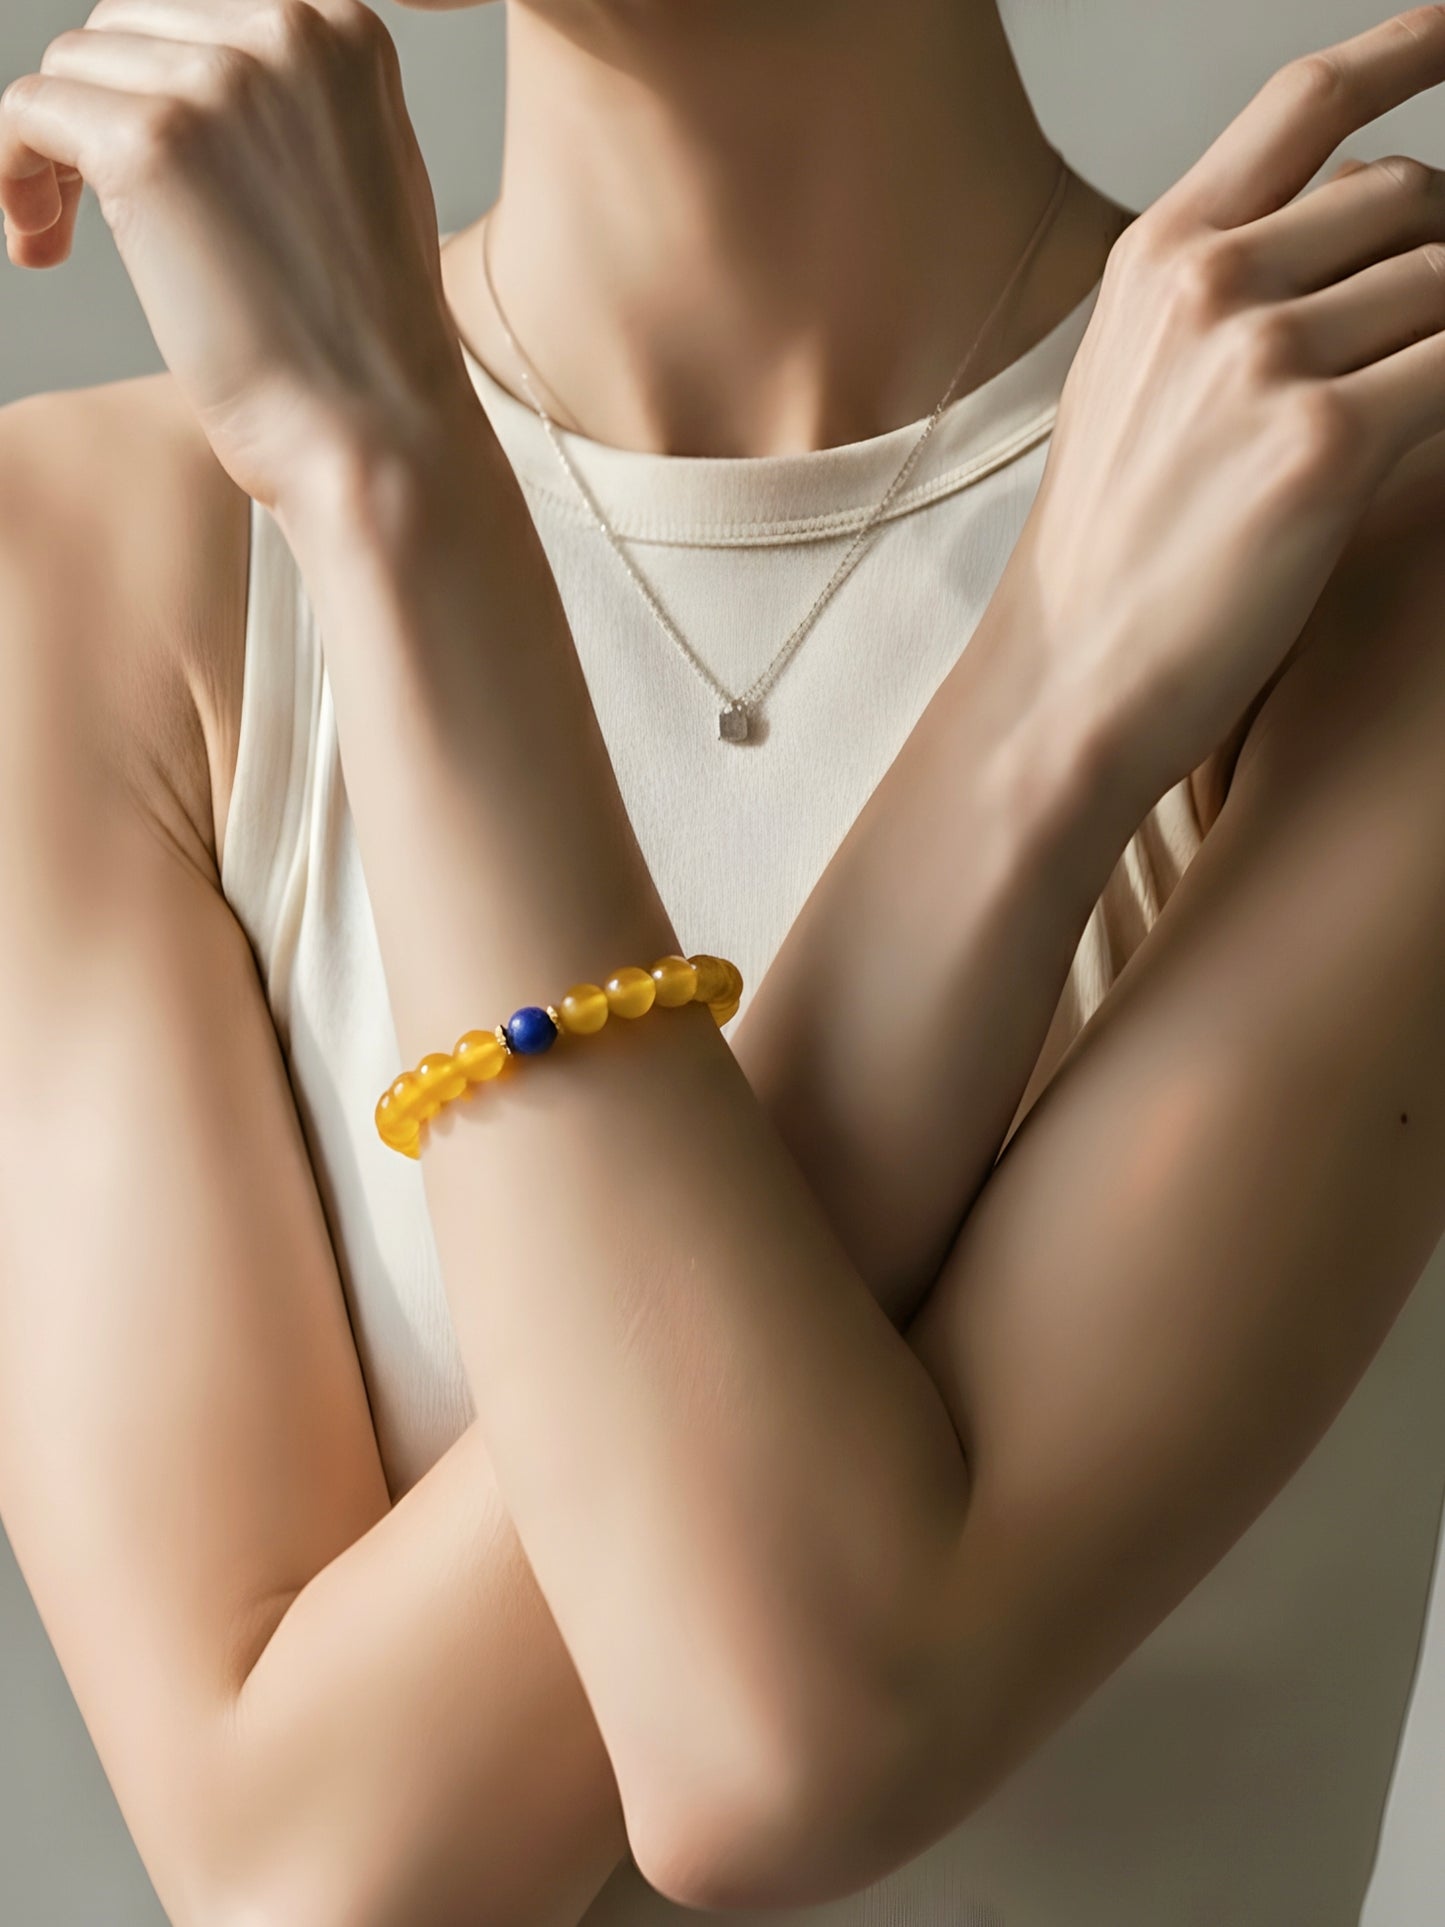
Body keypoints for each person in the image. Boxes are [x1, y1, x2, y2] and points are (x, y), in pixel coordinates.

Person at [2, 0, 1445, 1921]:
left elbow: (770, 1736)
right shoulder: (86, 569)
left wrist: (383, 466)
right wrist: (1030, 721)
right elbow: (308, 1883)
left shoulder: (1376, 528)